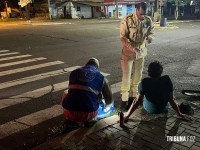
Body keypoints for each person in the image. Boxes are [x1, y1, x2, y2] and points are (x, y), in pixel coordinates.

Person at [124, 61, 192, 122]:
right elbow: (171, 100)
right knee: (169, 96)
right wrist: (179, 113)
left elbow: (137, 101)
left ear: (149, 72)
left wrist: (127, 115)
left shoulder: (145, 82)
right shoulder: (167, 80)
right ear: (161, 71)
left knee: (140, 95)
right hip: (163, 108)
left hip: (149, 109)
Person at [120, 2, 154, 111]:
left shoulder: (147, 19)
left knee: (137, 76)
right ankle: (124, 100)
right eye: (140, 14)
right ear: (136, 10)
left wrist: (150, 38)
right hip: (129, 52)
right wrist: (132, 48)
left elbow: (151, 32)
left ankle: (133, 97)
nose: (142, 17)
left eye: (144, 14)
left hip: (141, 52)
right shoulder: (127, 19)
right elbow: (123, 38)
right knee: (126, 76)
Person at [61, 58, 113, 124]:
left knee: (66, 92)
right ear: (96, 67)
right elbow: (109, 100)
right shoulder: (102, 78)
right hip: (89, 114)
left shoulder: (74, 73)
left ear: (86, 64)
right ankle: (90, 121)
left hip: (70, 113)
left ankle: (70, 119)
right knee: (97, 94)